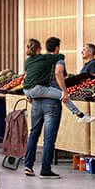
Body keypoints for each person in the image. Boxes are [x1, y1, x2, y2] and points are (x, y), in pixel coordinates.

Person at [21, 37, 68, 178]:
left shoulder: (33, 61)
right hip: (51, 103)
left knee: (34, 133)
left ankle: (28, 165)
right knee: (49, 138)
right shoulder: (57, 60)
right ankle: (45, 170)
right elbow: (59, 73)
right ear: (57, 48)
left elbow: (28, 77)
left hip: (36, 101)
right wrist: (64, 91)